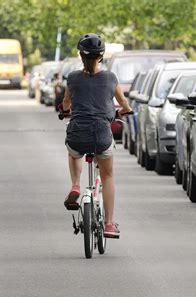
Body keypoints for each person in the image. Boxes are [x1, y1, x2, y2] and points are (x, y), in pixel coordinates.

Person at [61, 34, 132, 239]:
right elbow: (124, 104)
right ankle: (109, 224)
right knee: (108, 175)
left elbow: (66, 104)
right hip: (101, 135)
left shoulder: (73, 78)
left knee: (74, 152)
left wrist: (65, 110)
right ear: (101, 57)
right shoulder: (110, 78)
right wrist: (123, 111)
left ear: (80, 56)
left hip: (77, 133)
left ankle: (75, 185)